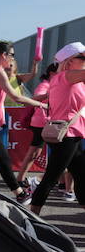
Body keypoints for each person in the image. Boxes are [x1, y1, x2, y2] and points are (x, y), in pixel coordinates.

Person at [0, 42, 46, 203]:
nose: (13, 59)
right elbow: (16, 97)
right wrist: (41, 104)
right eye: (11, 55)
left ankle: (20, 193)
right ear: (3, 56)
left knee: (4, 159)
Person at [30, 43, 85, 213]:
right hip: (67, 135)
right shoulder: (66, 76)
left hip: (73, 135)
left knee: (82, 176)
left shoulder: (70, 80)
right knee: (51, 178)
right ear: (69, 61)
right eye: (83, 57)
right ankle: (32, 217)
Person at [16, 63, 57, 188]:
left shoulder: (53, 85)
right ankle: (21, 178)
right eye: (59, 71)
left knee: (38, 153)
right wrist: (49, 95)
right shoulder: (45, 85)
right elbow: (35, 98)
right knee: (35, 153)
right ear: (51, 73)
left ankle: (60, 182)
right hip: (42, 123)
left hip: (48, 123)